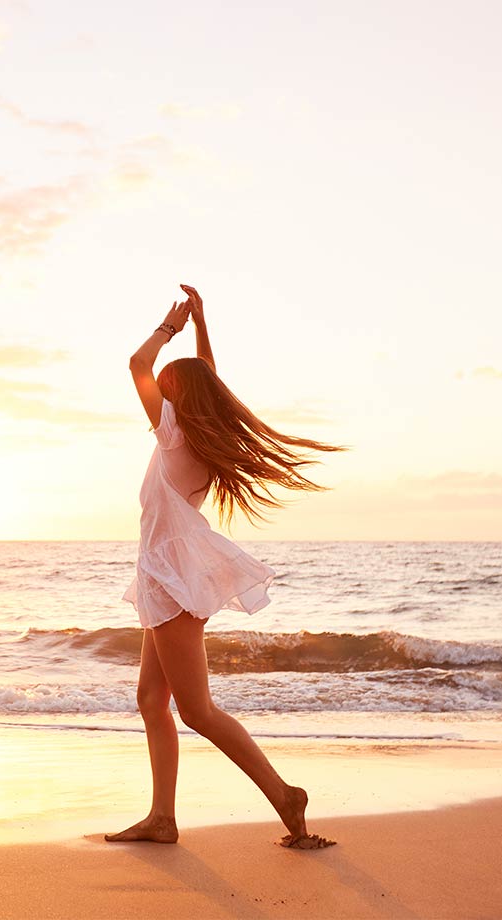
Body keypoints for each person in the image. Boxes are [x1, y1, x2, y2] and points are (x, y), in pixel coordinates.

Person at [105, 284, 347, 851]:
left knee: (196, 710)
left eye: (166, 392)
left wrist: (169, 327)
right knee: (151, 701)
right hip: (168, 571)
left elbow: (139, 363)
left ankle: (285, 794)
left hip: (172, 576)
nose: (156, 397)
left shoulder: (174, 433)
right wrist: (202, 329)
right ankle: (162, 818)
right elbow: (205, 377)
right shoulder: (199, 433)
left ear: (175, 400)